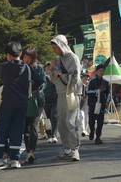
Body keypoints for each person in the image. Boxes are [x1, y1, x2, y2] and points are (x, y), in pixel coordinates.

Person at [0, 42, 43, 169]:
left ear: (8, 55)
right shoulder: (27, 68)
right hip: (22, 103)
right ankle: (15, 159)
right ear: (20, 54)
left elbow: (2, 79)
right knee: (17, 131)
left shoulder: (4, 67)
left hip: (7, 102)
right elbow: (40, 80)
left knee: (2, 130)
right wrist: (28, 89)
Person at [50, 34, 82, 162]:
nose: (55, 50)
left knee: (70, 122)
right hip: (60, 94)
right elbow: (53, 80)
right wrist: (51, 69)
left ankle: (75, 150)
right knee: (61, 124)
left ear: (62, 45)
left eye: (56, 47)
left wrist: (61, 75)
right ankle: (66, 148)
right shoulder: (57, 60)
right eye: (53, 48)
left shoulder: (74, 58)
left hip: (72, 94)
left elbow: (75, 79)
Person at [21, 46, 46, 164]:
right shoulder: (20, 67)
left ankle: (32, 151)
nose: (26, 60)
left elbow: (43, 82)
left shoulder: (38, 68)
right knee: (25, 127)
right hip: (24, 100)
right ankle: (28, 152)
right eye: (25, 57)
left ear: (33, 58)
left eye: (29, 57)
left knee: (34, 126)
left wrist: (35, 89)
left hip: (37, 101)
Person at [85, 64, 110, 144]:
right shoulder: (91, 81)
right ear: (96, 71)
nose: (102, 72)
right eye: (100, 71)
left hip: (101, 104)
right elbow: (87, 92)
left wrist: (107, 101)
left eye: (103, 71)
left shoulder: (105, 82)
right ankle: (92, 131)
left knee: (100, 121)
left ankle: (98, 137)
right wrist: (97, 91)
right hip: (92, 104)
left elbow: (108, 93)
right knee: (91, 121)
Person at [43, 61, 59, 143]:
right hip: (45, 101)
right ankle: (49, 135)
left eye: (50, 67)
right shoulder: (42, 77)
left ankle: (54, 135)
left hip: (55, 100)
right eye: (47, 67)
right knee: (47, 119)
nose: (48, 68)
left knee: (54, 117)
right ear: (45, 68)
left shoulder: (55, 77)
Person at [79, 72, 91, 138]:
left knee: (87, 117)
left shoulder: (89, 83)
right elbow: (77, 91)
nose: (86, 77)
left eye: (87, 76)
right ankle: (83, 129)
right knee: (82, 116)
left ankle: (85, 130)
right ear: (82, 77)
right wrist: (81, 97)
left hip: (87, 102)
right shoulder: (79, 83)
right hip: (80, 103)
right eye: (85, 76)